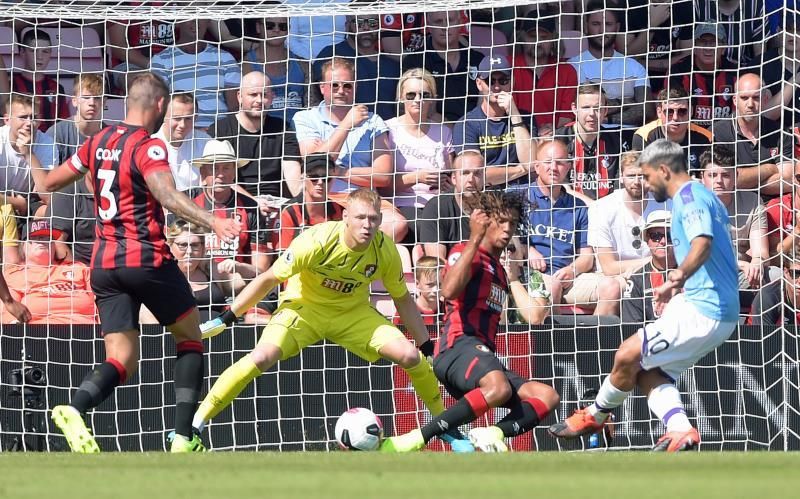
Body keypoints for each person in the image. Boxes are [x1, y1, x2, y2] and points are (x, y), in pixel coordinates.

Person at [42, 72, 241, 453]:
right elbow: (166, 194)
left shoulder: (97, 141)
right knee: (190, 337)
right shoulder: (148, 147)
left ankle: (75, 407)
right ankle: (182, 437)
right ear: (161, 105)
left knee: (123, 358)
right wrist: (213, 220)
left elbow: (49, 183)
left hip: (104, 264)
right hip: (145, 257)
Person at [193, 188, 473, 452]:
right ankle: (195, 425)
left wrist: (427, 347)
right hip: (304, 309)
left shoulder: (384, 250)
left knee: (411, 357)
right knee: (261, 356)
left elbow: (402, 299)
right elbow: (268, 279)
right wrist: (227, 317)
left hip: (352, 314)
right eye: (360, 217)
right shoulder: (317, 240)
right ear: (345, 217)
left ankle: (446, 427)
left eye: (373, 219)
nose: (367, 225)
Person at [549, 139, 740, 452]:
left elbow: (703, 243)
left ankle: (595, 414)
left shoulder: (689, 197)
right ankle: (680, 430)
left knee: (627, 354)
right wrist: (678, 288)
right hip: (709, 305)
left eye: (648, 177)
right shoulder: (703, 196)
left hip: (707, 308)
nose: (647, 186)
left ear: (663, 170)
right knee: (649, 371)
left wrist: (677, 276)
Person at [381, 190, 560, 453]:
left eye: (512, 223)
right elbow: (448, 291)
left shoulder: (499, 270)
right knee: (498, 387)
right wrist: (475, 238)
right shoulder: (465, 252)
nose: (507, 228)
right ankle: (414, 439)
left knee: (547, 395)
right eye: (501, 221)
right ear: (484, 221)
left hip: (479, 355)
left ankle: (492, 433)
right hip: (457, 348)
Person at [292, 57, 406, 241]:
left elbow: (383, 176)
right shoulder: (305, 118)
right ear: (322, 88)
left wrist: (338, 171)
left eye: (347, 86)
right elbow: (314, 165)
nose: (341, 91)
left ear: (355, 88)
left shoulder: (373, 121)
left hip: (364, 199)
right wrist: (347, 124)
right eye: (334, 85)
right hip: (324, 198)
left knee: (397, 224)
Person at [527, 140, 617, 316]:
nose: (554, 168)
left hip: (568, 279)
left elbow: (587, 257)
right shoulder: (519, 196)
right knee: (552, 287)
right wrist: (528, 250)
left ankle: (593, 335)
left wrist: (572, 270)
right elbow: (506, 239)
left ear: (568, 167)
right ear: (536, 167)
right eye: (548, 162)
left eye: (560, 163)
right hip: (531, 276)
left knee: (612, 287)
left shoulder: (578, 207)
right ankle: (553, 336)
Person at [187, 139, 271, 284]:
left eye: (226, 168)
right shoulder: (187, 202)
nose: (220, 174)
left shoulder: (250, 208)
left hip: (236, 282)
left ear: (234, 173)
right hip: (193, 281)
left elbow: (260, 269)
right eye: (214, 168)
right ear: (202, 173)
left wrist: (240, 267)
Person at [209, 71, 303, 200]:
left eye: (264, 95)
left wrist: (301, 203)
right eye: (253, 94)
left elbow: (292, 171)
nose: (259, 100)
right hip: (234, 202)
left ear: (272, 97)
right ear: (239, 96)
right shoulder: (220, 130)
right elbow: (219, 179)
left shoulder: (282, 128)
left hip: (275, 202)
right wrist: (254, 203)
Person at [386, 68, 454, 243]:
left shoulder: (443, 132)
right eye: (411, 95)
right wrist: (418, 178)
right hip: (401, 205)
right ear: (401, 97)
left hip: (438, 204)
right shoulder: (388, 130)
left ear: (432, 98)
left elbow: (452, 177)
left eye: (424, 95)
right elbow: (382, 185)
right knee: (424, 226)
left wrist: (447, 183)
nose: (418, 100)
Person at [698, 146, 770, 302]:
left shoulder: (753, 202)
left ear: (735, 177)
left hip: (742, 275)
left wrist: (757, 263)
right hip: (705, 275)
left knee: (775, 276)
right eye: (712, 175)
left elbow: (762, 252)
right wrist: (742, 264)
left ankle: (760, 318)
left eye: (725, 175)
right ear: (702, 178)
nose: (719, 181)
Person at [452, 55, 535, 187]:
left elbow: (531, 161)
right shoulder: (466, 124)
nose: (496, 87)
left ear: (512, 82)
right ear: (479, 84)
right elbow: (475, 175)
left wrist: (514, 115)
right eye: (490, 81)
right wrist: (521, 170)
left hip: (522, 191)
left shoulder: (526, 118)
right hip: (485, 193)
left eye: (503, 81)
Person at [568, 0, 650, 130]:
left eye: (608, 24)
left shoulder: (634, 67)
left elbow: (647, 111)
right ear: (586, 26)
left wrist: (606, 118)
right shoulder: (573, 66)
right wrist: (627, 102)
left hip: (629, 137)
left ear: (617, 27)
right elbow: (578, 108)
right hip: (591, 135)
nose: (602, 30)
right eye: (596, 24)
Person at [141, 219, 240, 324]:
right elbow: (146, 314)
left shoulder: (212, 271)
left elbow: (250, 281)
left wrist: (239, 267)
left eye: (195, 245)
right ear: (170, 247)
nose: (189, 251)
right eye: (183, 245)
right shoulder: (159, 277)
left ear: (202, 248)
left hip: (220, 331)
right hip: (180, 334)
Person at [2, 219, 97, 324]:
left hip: (85, 329)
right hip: (39, 331)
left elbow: (101, 303)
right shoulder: (14, 276)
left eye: (47, 238)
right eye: (35, 237)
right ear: (24, 245)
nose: (42, 241)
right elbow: (7, 315)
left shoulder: (79, 268)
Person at [150, 19, 241, 129]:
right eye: (190, 16)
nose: (195, 22)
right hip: (181, 131)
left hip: (220, 132)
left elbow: (234, 108)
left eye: (200, 17)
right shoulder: (160, 61)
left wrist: (220, 131)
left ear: (208, 22)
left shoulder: (225, 58)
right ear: (178, 21)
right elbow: (159, 109)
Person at [712, 73, 794, 195]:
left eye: (756, 98)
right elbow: (724, 180)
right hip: (733, 203)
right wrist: (768, 169)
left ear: (765, 100)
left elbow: (787, 180)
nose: (750, 104)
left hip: (773, 203)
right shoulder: (718, 133)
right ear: (735, 100)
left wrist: (744, 181)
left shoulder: (780, 132)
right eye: (744, 98)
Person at [313, 10, 401, 120]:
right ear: (347, 26)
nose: (366, 28)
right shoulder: (331, 55)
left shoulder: (392, 66)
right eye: (359, 23)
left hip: (386, 128)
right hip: (344, 127)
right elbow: (317, 97)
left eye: (372, 22)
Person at [401, 10, 485, 123]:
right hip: (434, 129)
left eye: (450, 20)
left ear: (460, 23)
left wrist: (471, 128)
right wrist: (450, 128)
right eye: (438, 21)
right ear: (429, 25)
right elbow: (419, 110)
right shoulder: (415, 62)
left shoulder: (478, 60)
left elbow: (484, 107)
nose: (445, 27)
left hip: (474, 128)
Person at [509, 17, 578, 133]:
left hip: (554, 138)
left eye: (544, 37)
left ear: (553, 40)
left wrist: (552, 133)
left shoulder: (567, 71)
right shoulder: (507, 65)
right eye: (532, 36)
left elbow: (566, 117)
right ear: (521, 38)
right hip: (514, 136)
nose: (538, 42)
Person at [554, 84, 620, 204]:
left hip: (609, 210)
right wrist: (594, 207)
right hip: (571, 209)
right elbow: (563, 189)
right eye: (585, 107)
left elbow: (620, 190)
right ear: (574, 108)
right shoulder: (559, 140)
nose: (592, 114)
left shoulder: (617, 142)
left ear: (605, 111)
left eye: (597, 108)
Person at [418, 150, 484, 260]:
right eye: (465, 173)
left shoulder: (494, 207)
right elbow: (436, 262)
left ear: (484, 177)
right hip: (449, 270)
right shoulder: (436, 208)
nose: (471, 179)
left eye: (477, 173)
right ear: (454, 179)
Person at [240, 17, 308, 123]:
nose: (276, 30)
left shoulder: (303, 65)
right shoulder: (245, 65)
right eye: (269, 25)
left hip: (299, 129)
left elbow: (312, 104)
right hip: (263, 129)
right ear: (258, 27)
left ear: (288, 29)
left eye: (282, 26)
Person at [669, 23, 737, 129]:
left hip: (726, 134)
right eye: (703, 42)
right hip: (689, 133)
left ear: (723, 48)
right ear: (695, 46)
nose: (708, 48)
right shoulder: (679, 72)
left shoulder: (735, 73)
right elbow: (673, 113)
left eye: (714, 42)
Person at [273, 153, 344, 252]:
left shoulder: (339, 210)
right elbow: (281, 255)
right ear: (302, 177)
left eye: (326, 178)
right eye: (314, 177)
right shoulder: (289, 211)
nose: (320, 182)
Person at [1, 92, 57, 216]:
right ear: (7, 120)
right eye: (23, 117)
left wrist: (28, 154)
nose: (29, 123)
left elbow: (48, 196)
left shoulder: (47, 143)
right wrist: (16, 203)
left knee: (51, 211)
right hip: (4, 202)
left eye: (33, 117)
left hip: (29, 204)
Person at [632, 86, 712, 173]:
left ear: (691, 111)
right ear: (659, 112)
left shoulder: (706, 137)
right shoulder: (644, 136)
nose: (675, 117)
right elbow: (642, 175)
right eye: (669, 111)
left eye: (682, 111)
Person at [620, 210, 677, 324]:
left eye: (669, 236)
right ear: (647, 240)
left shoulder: (693, 275)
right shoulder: (636, 281)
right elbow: (631, 327)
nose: (663, 241)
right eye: (656, 236)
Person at [11, 29, 70, 132]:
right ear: (22, 52)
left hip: (50, 140)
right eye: (33, 51)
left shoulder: (56, 88)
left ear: (50, 54)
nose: (39, 57)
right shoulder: (12, 85)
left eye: (45, 51)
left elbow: (64, 124)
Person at [152, 92, 210, 192]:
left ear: (196, 118)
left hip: (198, 200)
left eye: (188, 118)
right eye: (177, 118)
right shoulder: (150, 144)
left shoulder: (206, 142)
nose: (182, 125)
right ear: (163, 115)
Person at [46, 73, 105, 165]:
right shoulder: (56, 133)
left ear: (103, 102)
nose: (92, 102)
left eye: (97, 98)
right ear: (74, 101)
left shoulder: (111, 136)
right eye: (86, 97)